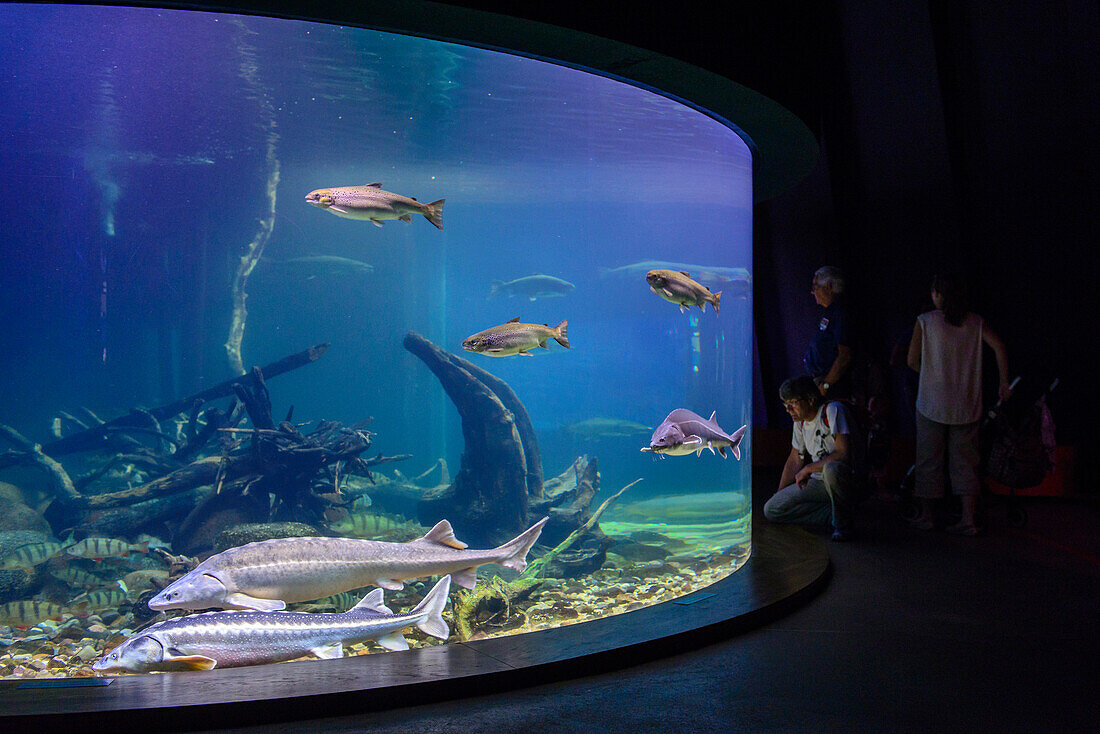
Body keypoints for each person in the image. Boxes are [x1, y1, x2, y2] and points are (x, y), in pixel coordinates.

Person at [906, 273, 1011, 536]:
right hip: (966, 403)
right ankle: (968, 519)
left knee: (929, 460)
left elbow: (910, 360)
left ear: (938, 295)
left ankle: (928, 517)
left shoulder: (926, 321)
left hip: (931, 403)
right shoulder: (975, 322)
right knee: (966, 463)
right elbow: (999, 347)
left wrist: (931, 375)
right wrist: (1004, 382)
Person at [764, 376, 863, 541]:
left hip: (845, 479)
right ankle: (835, 515)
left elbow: (843, 454)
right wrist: (779, 494)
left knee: (831, 469)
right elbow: (795, 459)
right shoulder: (800, 423)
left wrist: (809, 468)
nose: (788, 409)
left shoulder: (832, 410)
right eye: (785, 404)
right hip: (819, 483)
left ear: (811, 400)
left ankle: (843, 526)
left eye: (793, 402)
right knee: (772, 510)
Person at [803, 266, 853, 399]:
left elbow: (844, 355)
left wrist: (826, 385)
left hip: (836, 388)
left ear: (828, 287)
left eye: (815, 287)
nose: (813, 292)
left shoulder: (840, 313)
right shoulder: (829, 313)